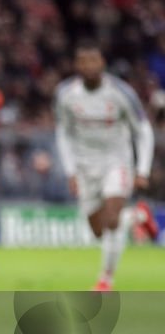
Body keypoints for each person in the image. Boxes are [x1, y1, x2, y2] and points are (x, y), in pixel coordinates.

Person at [54, 42, 155, 291]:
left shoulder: (121, 93)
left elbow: (142, 130)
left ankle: (105, 280)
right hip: (85, 166)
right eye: (84, 62)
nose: (89, 66)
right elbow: (63, 133)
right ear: (77, 66)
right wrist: (71, 171)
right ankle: (139, 216)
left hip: (116, 162)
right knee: (98, 230)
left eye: (94, 61)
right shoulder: (65, 94)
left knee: (111, 220)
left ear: (103, 64)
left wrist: (142, 170)